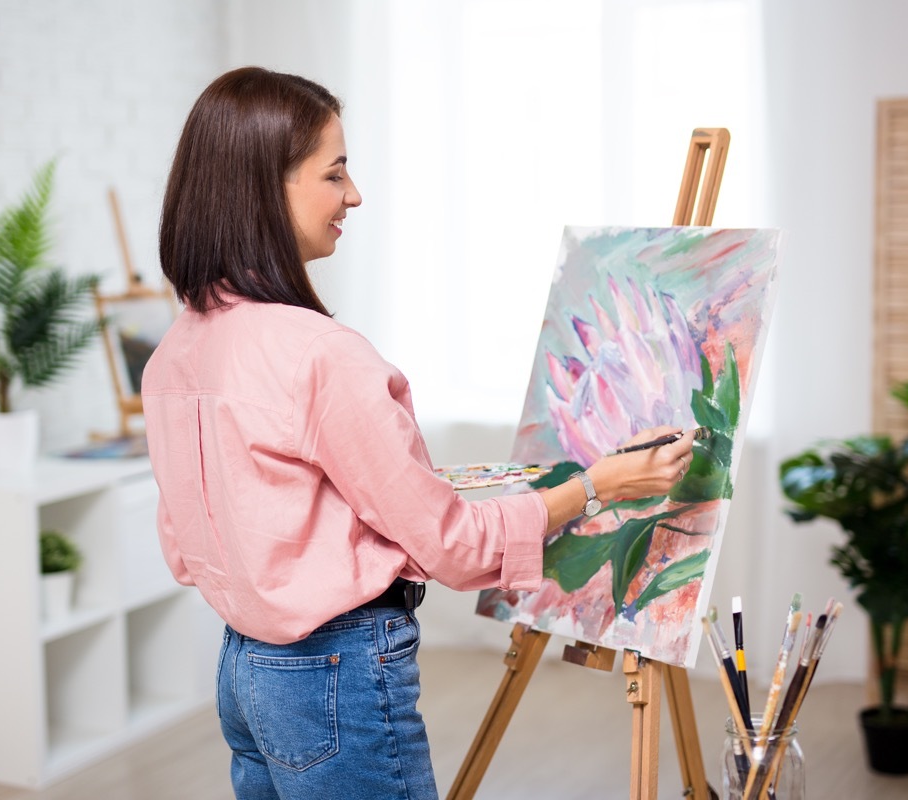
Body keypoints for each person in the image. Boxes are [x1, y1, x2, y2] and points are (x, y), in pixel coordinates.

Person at [143, 66, 696, 800]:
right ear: (263, 188)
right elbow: (453, 547)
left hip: (246, 672)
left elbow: (198, 538)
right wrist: (597, 489)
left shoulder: (174, 353)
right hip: (332, 674)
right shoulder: (321, 356)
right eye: (334, 173)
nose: (355, 195)